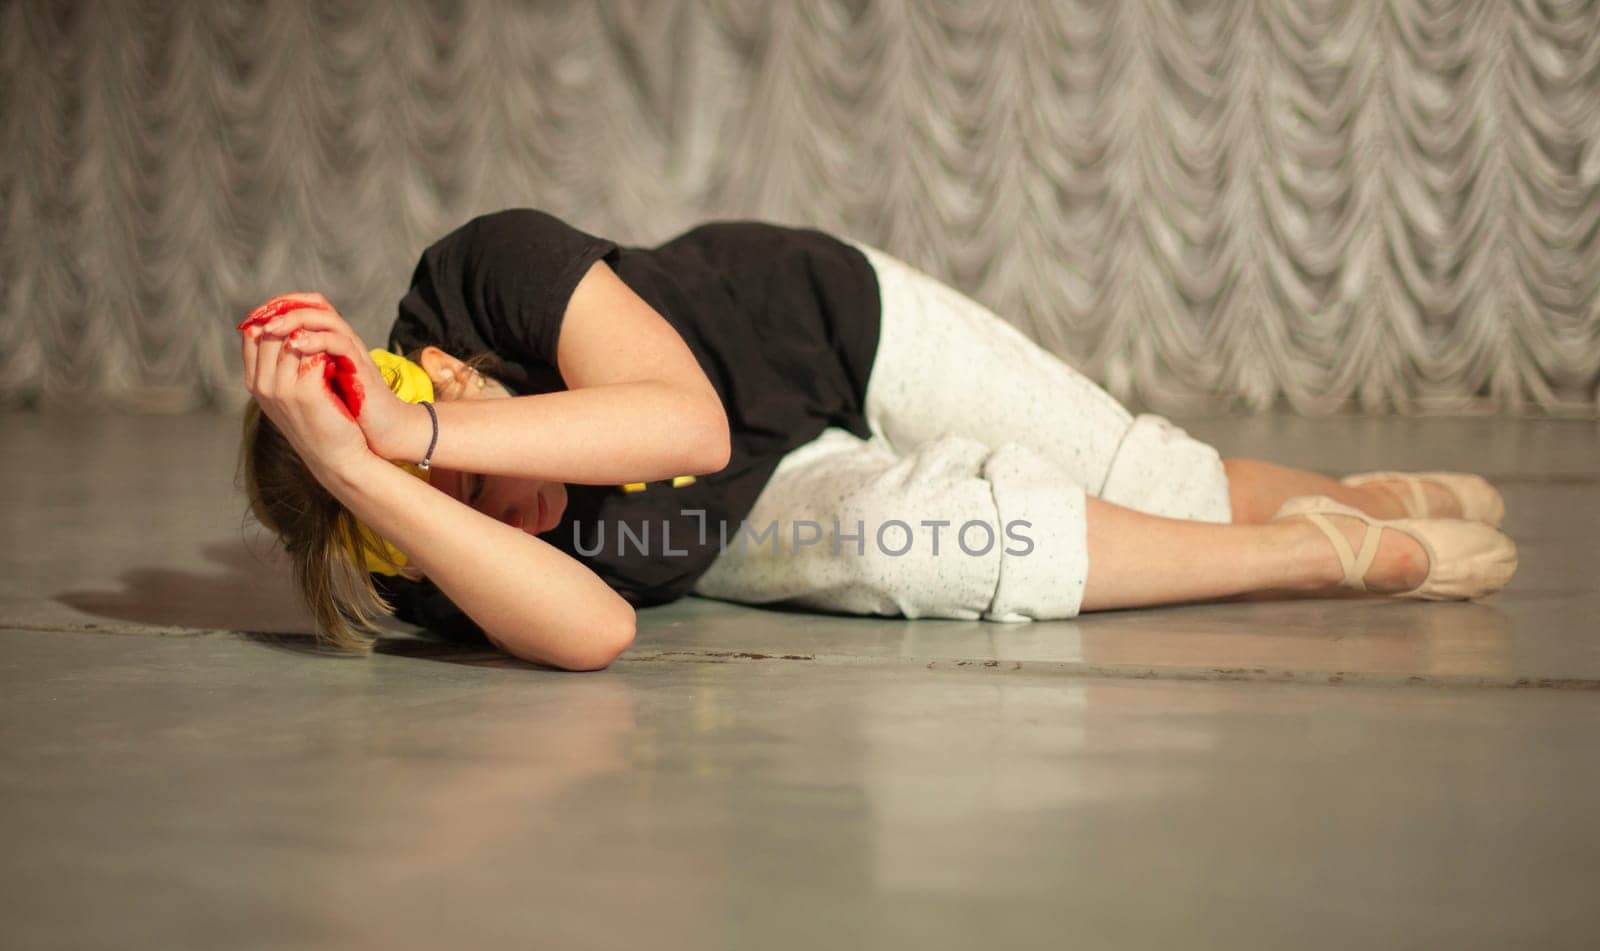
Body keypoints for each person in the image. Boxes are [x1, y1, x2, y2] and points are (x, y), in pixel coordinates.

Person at [238, 209, 1517, 671]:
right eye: (439, 515)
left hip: (811, 330)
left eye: (468, 470)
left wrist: (406, 430)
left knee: (1144, 473)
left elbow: (685, 421)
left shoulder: (481, 274)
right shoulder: (416, 542)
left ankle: (1351, 489)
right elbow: (599, 629)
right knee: (950, 553)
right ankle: (1316, 554)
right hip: (737, 511)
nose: (483, 514)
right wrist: (379, 478)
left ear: (454, 379)